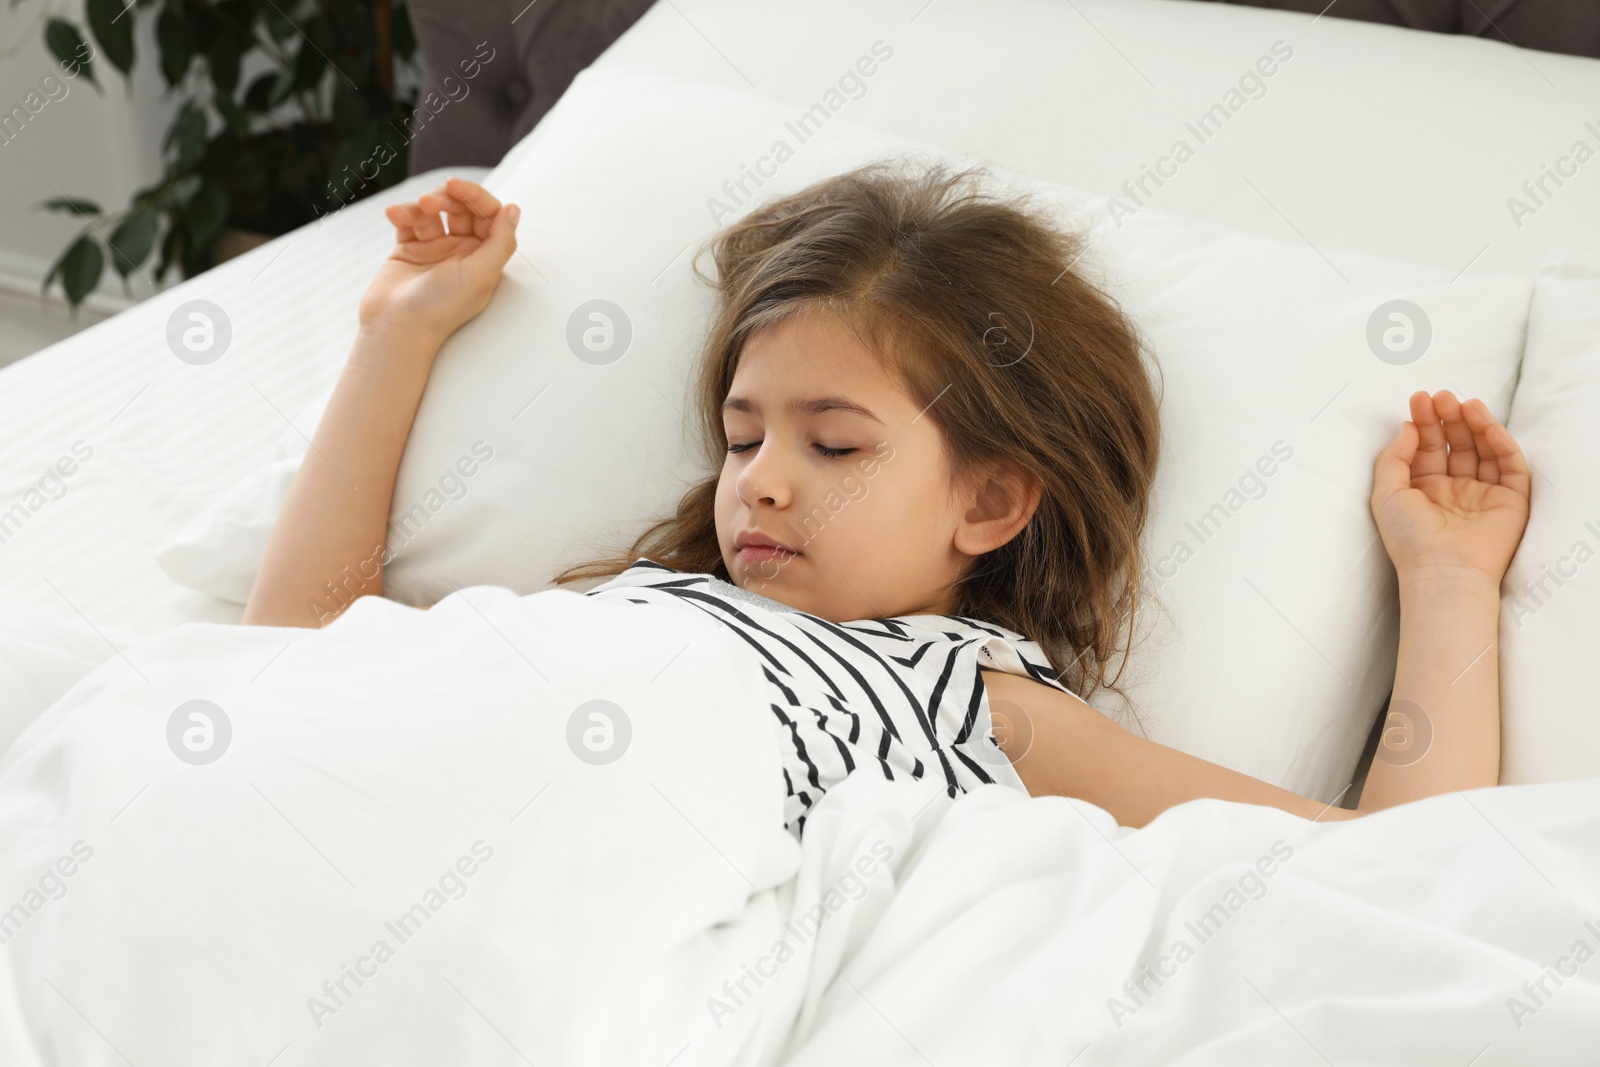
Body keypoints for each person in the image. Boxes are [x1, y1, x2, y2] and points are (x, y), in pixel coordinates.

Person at [242, 163, 1530, 839]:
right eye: (741, 438)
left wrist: (1449, 580)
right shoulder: (653, 607)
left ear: (990, 505)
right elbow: (299, 647)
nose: (764, 479)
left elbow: (1385, 866)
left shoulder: (968, 696)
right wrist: (400, 334)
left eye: (838, 447)